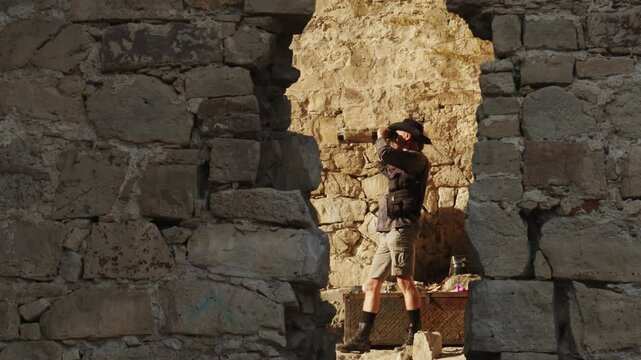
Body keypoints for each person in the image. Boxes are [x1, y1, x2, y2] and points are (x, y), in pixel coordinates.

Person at [337, 118, 431, 354]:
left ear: (407, 136)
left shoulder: (417, 160)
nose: (395, 135)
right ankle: (362, 337)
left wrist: (382, 138)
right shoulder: (401, 161)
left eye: (398, 133)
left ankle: (414, 334)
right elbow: (384, 163)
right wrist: (379, 141)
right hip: (389, 228)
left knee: (404, 281)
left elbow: (387, 155)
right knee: (372, 283)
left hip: (403, 227)